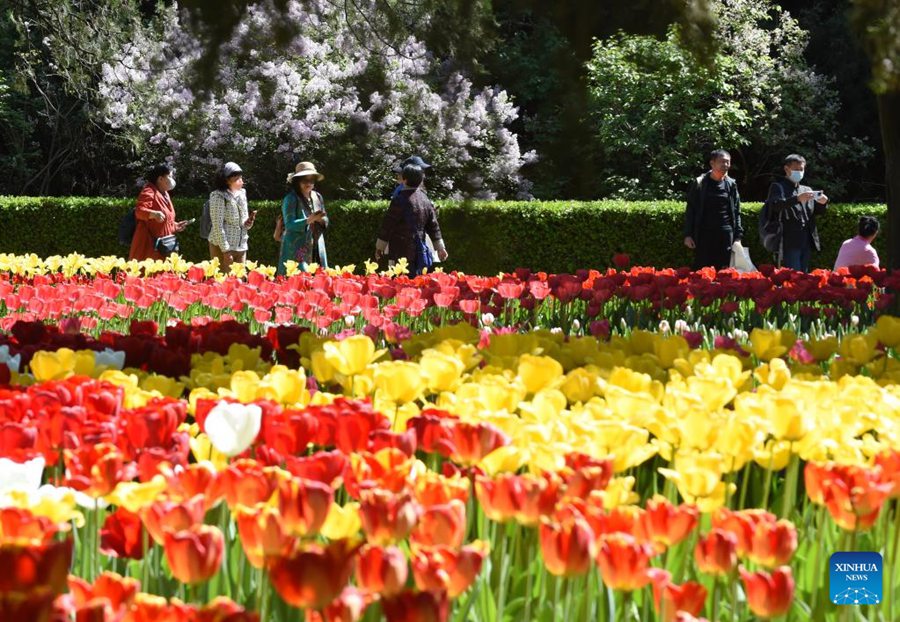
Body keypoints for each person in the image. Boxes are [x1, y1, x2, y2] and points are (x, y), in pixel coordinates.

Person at [376, 163, 447, 273]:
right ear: (421, 180)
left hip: (399, 251)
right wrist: (440, 247)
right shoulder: (425, 200)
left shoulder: (399, 200)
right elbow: (433, 226)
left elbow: (388, 225)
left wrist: (380, 247)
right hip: (419, 251)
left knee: (399, 282)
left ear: (404, 180)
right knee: (417, 283)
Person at [764, 154, 829, 272]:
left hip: (806, 238)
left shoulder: (806, 189)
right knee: (793, 275)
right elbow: (775, 206)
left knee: (804, 275)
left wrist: (823, 203)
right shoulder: (778, 187)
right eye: (796, 169)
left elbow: (815, 213)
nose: (799, 172)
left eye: (801, 169)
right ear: (786, 169)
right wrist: (797, 199)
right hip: (789, 239)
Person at [683, 149, 743, 270]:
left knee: (724, 270)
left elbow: (736, 211)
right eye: (722, 162)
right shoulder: (700, 183)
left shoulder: (731, 184)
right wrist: (688, 235)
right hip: (704, 233)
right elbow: (691, 210)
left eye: (728, 162)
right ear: (712, 163)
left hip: (726, 234)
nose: (725, 165)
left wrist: (738, 237)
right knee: (702, 270)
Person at [129, 164, 190, 261]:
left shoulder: (165, 193)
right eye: (169, 176)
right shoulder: (149, 191)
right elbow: (139, 211)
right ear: (160, 179)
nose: (171, 179)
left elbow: (166, 220)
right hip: (150, 246)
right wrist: (153, 214)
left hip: (165, 245)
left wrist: (176, 225)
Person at [277, 161, 329, 275]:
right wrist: (309, 220)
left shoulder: (318, 196)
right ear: (297, 181)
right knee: (296, 281)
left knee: (319, 280)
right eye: (305, 180)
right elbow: (289, 225)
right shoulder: (290, 199)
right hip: (296, 247)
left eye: (311, 180)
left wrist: (321, 219)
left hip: (316, 244)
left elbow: (326, 220)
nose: (309, 183)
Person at [207, 162, 256, 271]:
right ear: (227, 180)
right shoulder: (218, 196)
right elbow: (217, 226)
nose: (242, 182)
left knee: (240, 281)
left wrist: (248, 223)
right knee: (223, 282)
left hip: (241, 246)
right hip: (222, 247)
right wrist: (226, 251)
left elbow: (243, 222)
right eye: (237, 179)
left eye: (241, 178)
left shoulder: (242, 193)